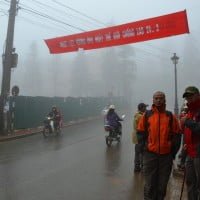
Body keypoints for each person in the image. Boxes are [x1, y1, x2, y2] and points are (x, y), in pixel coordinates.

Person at [137, 91, 181, 200]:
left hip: (165, 157)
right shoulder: (147, 115)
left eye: (161, 98)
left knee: (162, 186)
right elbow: (140, 133)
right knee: (150, 185)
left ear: (164, 100)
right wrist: (144, 149)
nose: (158, 100)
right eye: (156, 98)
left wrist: (172, 152)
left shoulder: (170, 116)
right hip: (150, 155)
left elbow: (177, 135)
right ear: (153, 100)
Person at [181, 86, 200, 200]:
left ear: (198, 95)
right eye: (187, 96)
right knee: (190, 182)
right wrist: (183, 153)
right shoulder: (189, 111)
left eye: (191, 95)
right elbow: (186, 133)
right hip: (189, 152)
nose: (188, 98)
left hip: (198, 152)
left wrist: (187, 121)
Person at [132, 103, 148, 172]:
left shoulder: (137, 115)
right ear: (141, 108)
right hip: (141, 135)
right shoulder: (141, 116)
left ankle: (136, 167)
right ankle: (142, 167)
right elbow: (145, 127)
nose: (146, 109)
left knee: (137, 152)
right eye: (145, 107)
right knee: (143, 152)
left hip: (136, 135)